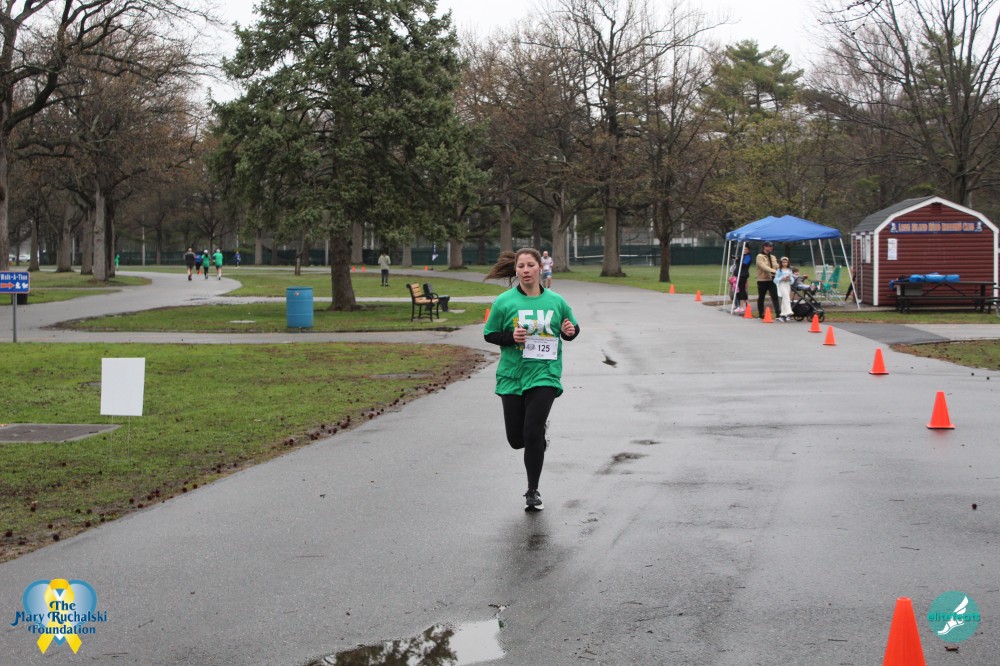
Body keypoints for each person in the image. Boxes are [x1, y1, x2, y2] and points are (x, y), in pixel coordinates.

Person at [483, 248, 580, 512]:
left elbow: (572, 329)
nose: (526, 270)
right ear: (516, 270)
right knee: (517, 439)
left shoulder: (556, 301)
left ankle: (532, 491)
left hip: (544, 374)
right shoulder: (504, 302)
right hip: (513, 375)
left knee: (532, 431)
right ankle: (538, 435)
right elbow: (489, 334)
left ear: (540, 268)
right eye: (521, 266)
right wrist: (510, 337)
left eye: (530, 265)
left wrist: (569, 331)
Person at [755, 241, 780, 319]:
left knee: (775, 296)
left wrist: (781, 270)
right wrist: (773, 271)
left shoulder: (773, 257)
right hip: (763, 280)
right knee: (761, 297)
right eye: (769, 246)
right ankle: (761, 313)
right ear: (765, 247)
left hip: (772, 279)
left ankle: (778, 314)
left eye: (772, 246)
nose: (771, 248)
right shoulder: (760, 256)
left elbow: (776, 265)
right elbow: (763, 266)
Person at [732, 244, 752, 314]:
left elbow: (744, 264)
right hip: (738, 274)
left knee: (741, 289)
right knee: (739, 289)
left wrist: (738, 259)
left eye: (746, 249)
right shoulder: (742, 256)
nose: (744, 250)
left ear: (748, 250)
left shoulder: (748, 256)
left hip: (743, 275)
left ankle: (742, 306)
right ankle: (744, 305)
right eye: (744, 249)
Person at [773, 257, 794, 322]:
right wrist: (782, 278)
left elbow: (792, 279)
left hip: (787, 284)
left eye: (786, 262)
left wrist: (789, 279)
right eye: (783, 262)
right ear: (781, 263)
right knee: (786, 297)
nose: (785, 263)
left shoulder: (789, 270)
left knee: (784, 299)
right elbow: (775, 279)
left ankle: (783, 314)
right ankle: (789, 311)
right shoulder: (779, 270)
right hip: (782, 284)